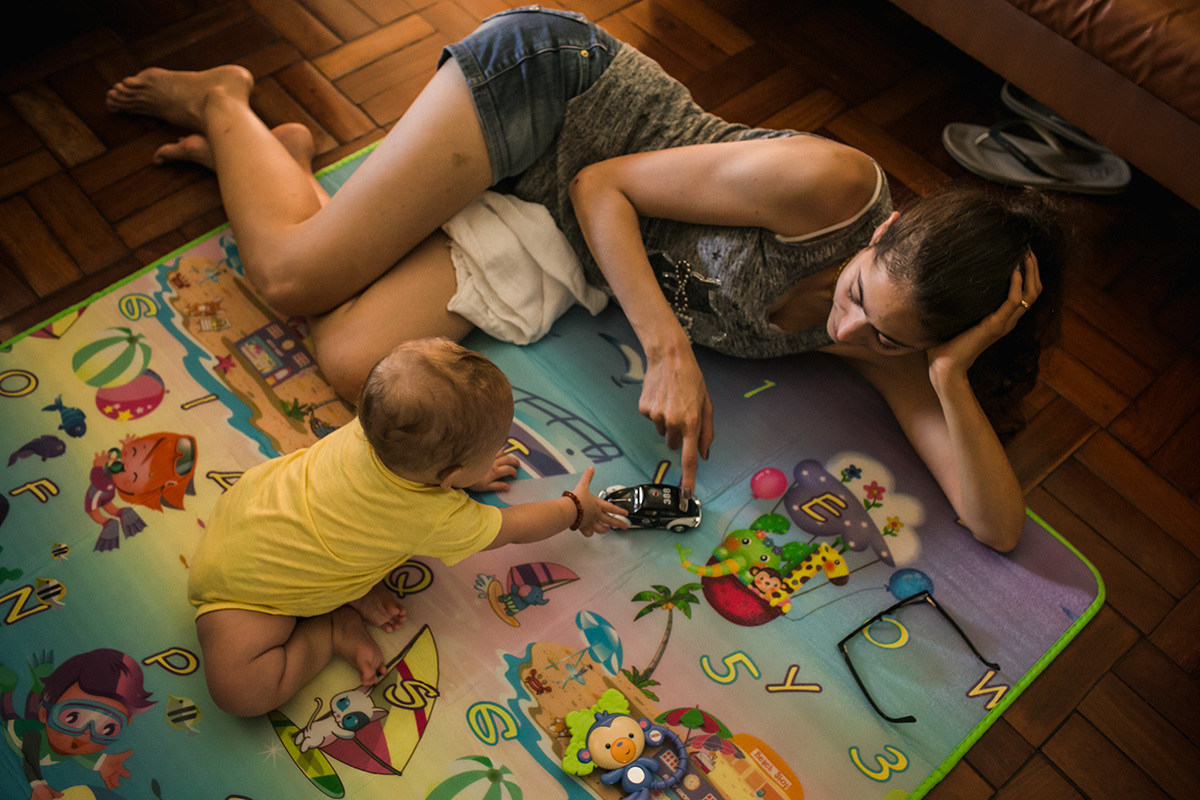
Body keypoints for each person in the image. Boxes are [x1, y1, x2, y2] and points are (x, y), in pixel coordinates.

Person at [106, 6, 1066, 553]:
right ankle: (224, 99)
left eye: (890, 338)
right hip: (555, 103)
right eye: (856, 296)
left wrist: (947, 373)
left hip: (559, 237)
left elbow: (996, 527)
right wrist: (668, 347)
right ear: (885, 230)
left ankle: (279, 166)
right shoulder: (830, 184)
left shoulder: (905, 343)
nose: (852, 336)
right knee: (289, 279)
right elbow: (604, 184)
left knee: (355, 358)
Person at [186, 337, 629, 717]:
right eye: (492, 448)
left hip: (246, 511)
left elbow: (425, 454)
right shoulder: (435, 517)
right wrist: (574, 508)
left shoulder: (373, 428)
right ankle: (329, 628)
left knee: (354, 532)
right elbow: (512, 527)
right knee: (241, 691)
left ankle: (344, 597)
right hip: (243, 597)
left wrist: (466, 474)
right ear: (449, 476)